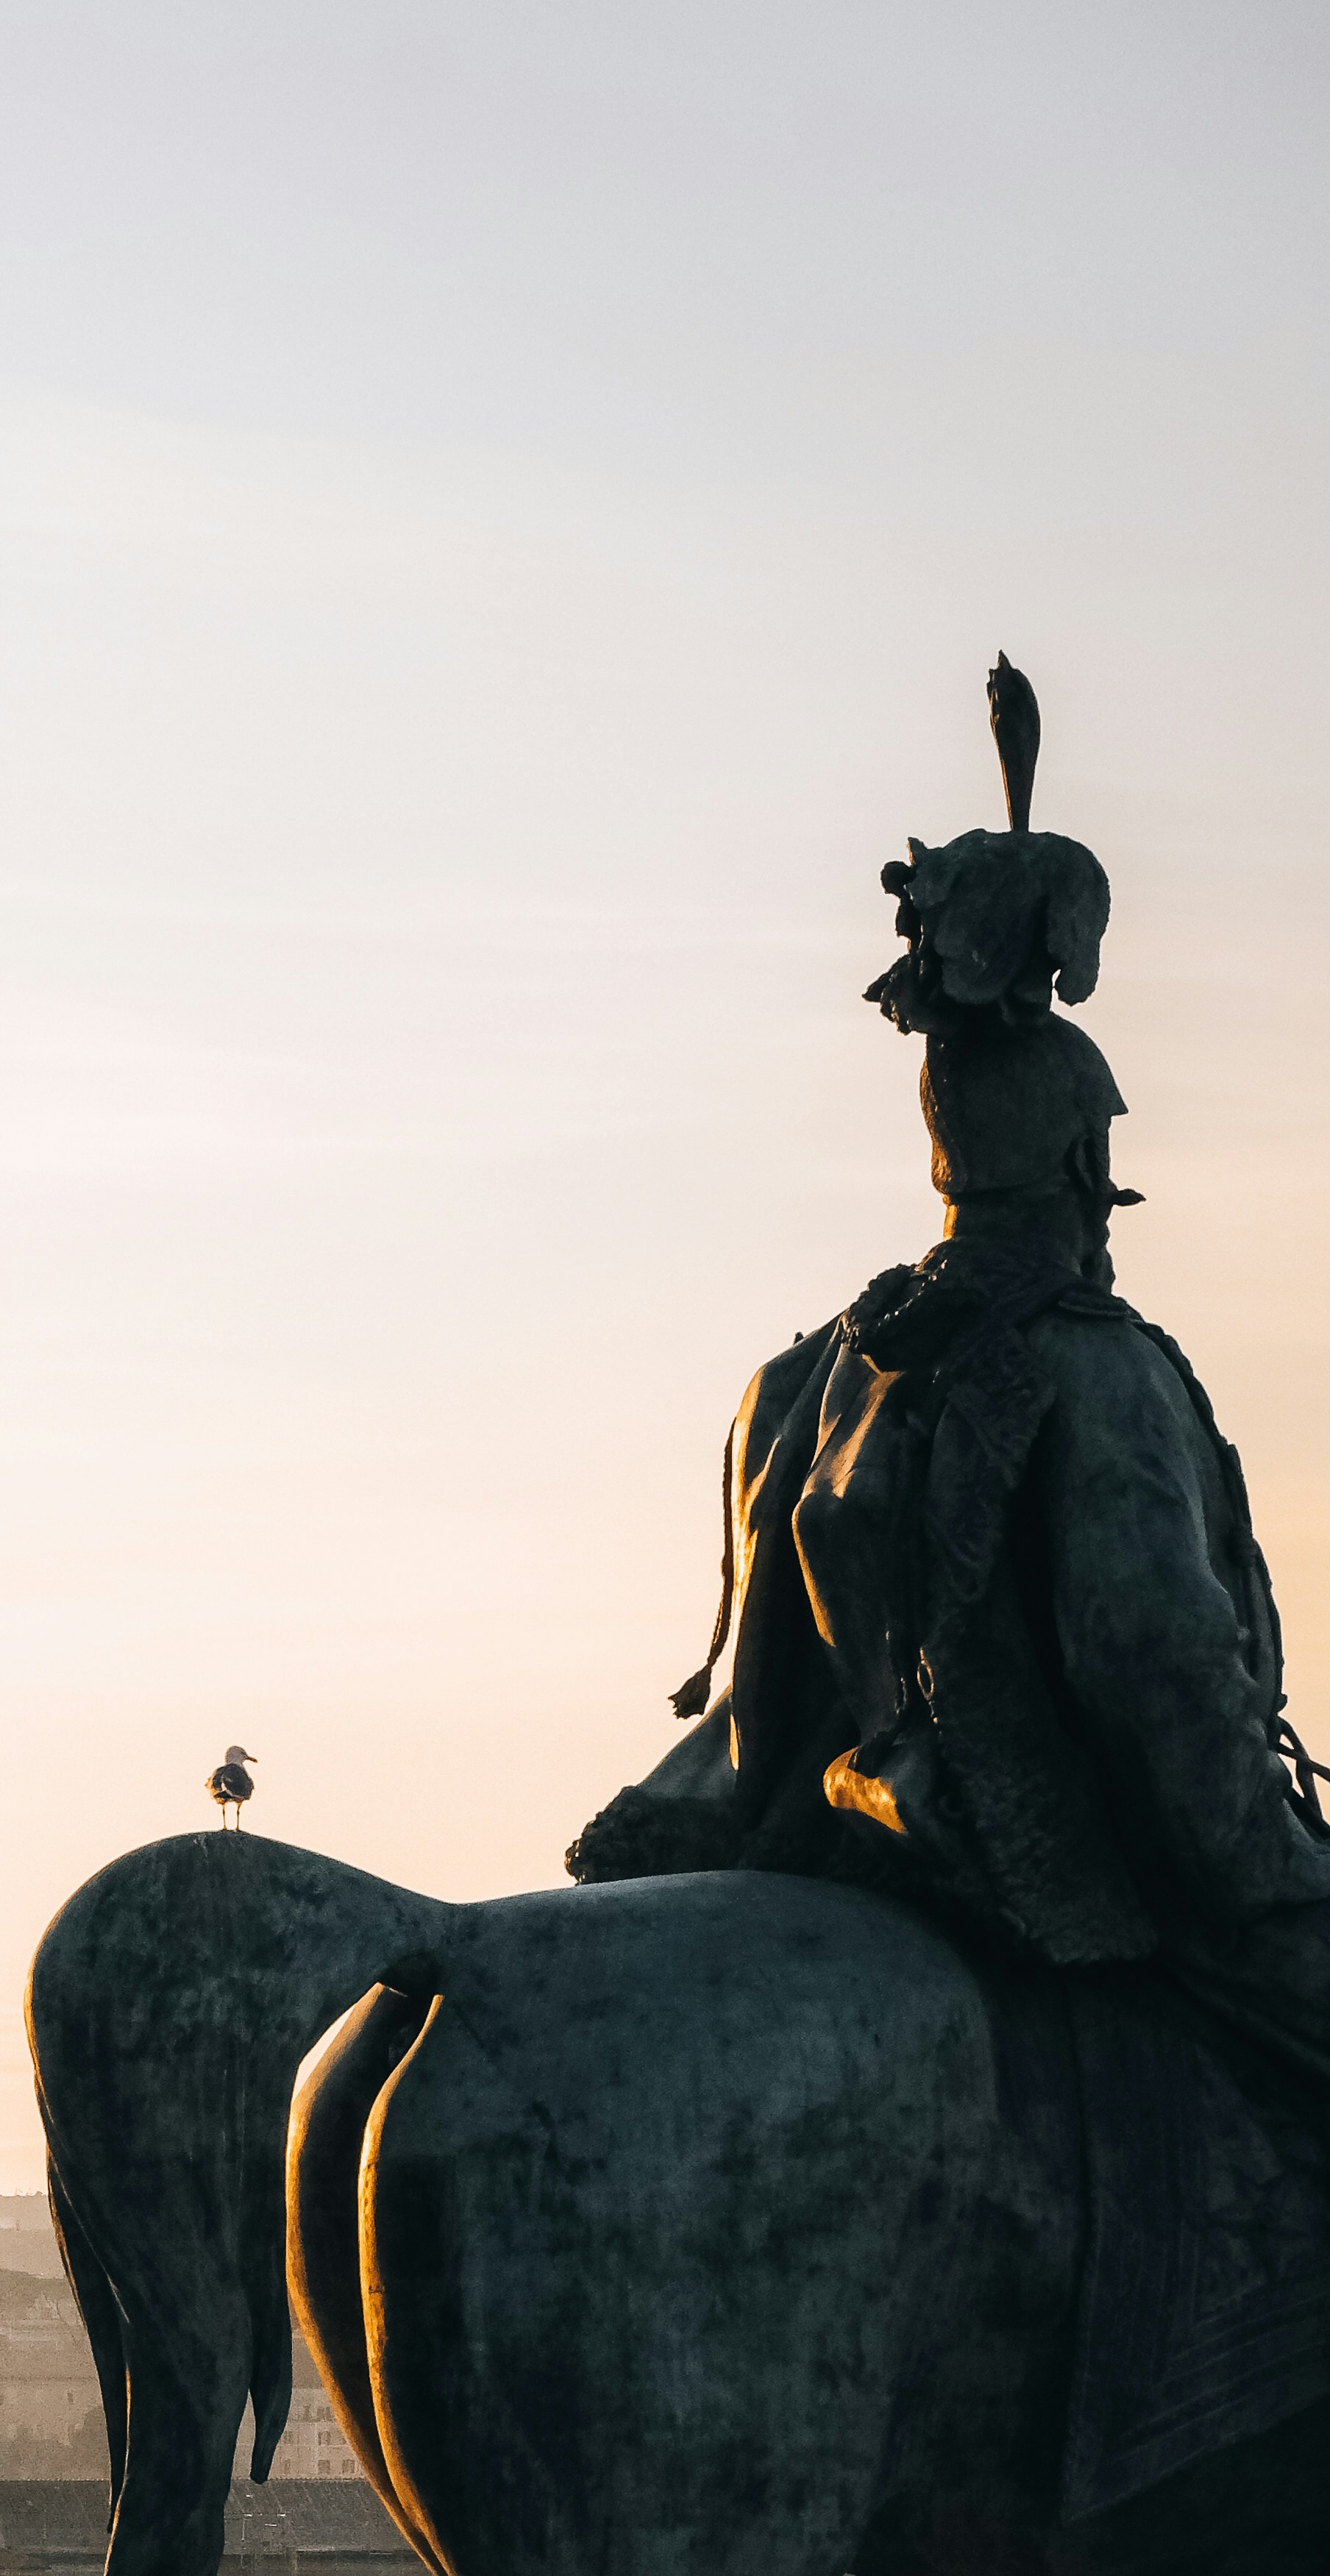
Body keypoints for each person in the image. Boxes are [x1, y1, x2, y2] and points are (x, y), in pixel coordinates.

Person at [568, 669, 1330, 2111]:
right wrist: (1270, 1871)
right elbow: (1154, 1660)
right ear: (1081, 1161)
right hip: (1039, 1859)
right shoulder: (1097, 1376)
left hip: (823, 1818)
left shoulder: (825, 1368)